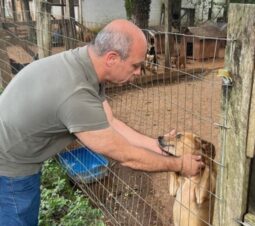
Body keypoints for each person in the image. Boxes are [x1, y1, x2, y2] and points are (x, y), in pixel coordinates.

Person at [0, 19, 204, 226]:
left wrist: (155, 145)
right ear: (112, 58)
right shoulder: (76, 93)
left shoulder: (85, 64)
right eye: (135, 65)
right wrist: (179, 165)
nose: (138, 72)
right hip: (9, 168)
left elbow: (110, 122)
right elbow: (125, 156)